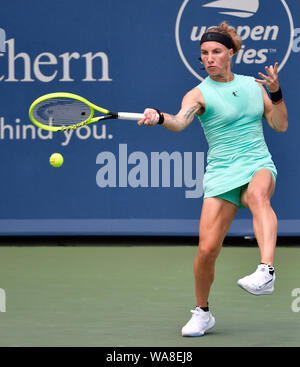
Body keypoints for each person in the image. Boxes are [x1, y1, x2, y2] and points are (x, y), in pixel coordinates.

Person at [138, 21, 288, 337]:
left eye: (216, 51)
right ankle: (203, 312)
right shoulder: (198, 94)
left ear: (230, 53)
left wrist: (276, 93)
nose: (210, 58)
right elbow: (180, 122)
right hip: (221, 173)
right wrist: (160, 118)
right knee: (207, 250)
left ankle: (266, 271)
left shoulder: (253, 86)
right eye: (204, 53)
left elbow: (279, 125)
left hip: (256, 162)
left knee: (260, 195)